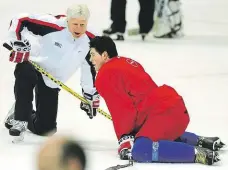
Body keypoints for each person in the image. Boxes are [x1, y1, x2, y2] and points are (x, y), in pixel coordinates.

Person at [89, 36, 225, 165]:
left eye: (93, 54)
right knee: (146, 136)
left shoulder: (104, 74)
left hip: (161, 113)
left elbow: (122, 109)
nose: (91, 59)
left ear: (105, 55)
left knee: (141, 150)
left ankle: (197, 154)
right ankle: (198, 140)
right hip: (171, 107)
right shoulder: (125, 61)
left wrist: (125, 138)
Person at [4, 4, 100, 142]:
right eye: (75, 24)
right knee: (26, 74)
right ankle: (20, 118)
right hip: (32, 64)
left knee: (46, 129)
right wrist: (16, 42)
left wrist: (89, 93)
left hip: (52, 79)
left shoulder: (91, 40)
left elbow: (88, 67)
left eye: (82, 24)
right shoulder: (52, 25)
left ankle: (19, 114)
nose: (78, 28)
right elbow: (20, 19)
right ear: (68, 20)